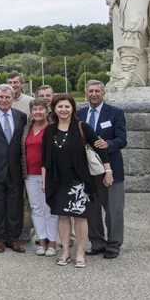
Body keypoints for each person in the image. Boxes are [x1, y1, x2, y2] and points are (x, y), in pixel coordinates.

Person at [43, 94, 111, 269]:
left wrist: (108, 170)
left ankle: (80, 251)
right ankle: (65, 251)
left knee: (80, 217)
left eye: (67, 106)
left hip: (78, 181)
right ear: (54, 109)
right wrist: (44, 181)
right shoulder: (49, 130)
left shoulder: (82, 127)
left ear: (72, 108)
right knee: (63, 216)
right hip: (57, 180)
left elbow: (100, 147)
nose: (63, 110)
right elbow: (45, 159)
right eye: (60, 106)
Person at [79, 80, 127, 259]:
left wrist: (108, 144)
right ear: (86, 93)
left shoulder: (115, 113)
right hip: (88, 170)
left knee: (114, 210)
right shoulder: (80, 114)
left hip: (111, 169)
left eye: (97, 91)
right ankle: (97, 242)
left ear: (103, 93)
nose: (94, 94)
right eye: (90, 91)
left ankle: (114, 244)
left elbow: (122, 139)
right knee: (91, 210)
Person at [0, 84, 28, 253]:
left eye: (7, 97)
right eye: (1, 97)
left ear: (13, 98)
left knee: (15, 205)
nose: (4, 100)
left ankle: (13, 238)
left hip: (15, 168)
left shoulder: (21, 117)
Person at [23, 98, 57, 257]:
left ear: (47, 111)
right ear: (31, 112)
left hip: (48, 174)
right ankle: (41, 240)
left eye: (40, 109)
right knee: (36, 208)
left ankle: (52, 242)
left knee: (49, 209)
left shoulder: (52, 128)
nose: (37, 112)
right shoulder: (27, 128)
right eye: (34, 109)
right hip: (30, 174)